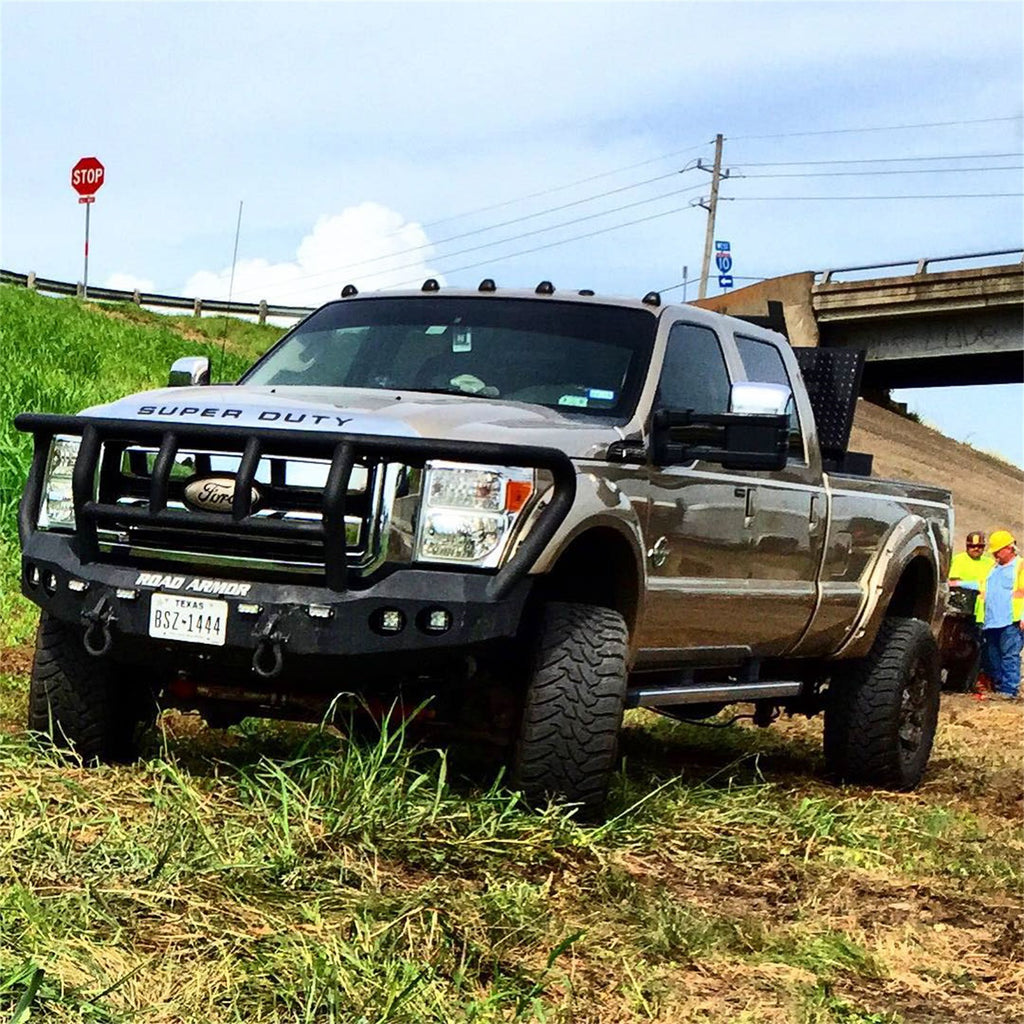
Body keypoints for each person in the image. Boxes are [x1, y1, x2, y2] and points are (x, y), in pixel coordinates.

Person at [975, 530, 1024, 700]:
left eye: (998, 551)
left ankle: (1009, 691)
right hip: (991, 621)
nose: (995, 554)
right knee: (992, 657)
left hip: (1011, 621)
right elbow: (981, 585)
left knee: (1009, 656)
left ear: (1009, 548)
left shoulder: (1020, 566)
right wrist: (956, 583)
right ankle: (998, 687)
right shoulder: (993, 568)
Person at [948, 531, 994, 693]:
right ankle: (953, 683)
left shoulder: (989, 563)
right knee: (958, 648)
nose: (976, 549)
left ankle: (969, 684)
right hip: (961, 613)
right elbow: (952, 582)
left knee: (977, 651)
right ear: (967, 546)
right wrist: (976, 585)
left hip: (982, 613)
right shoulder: (958, 560)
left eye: (980, 546)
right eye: (972, 546)